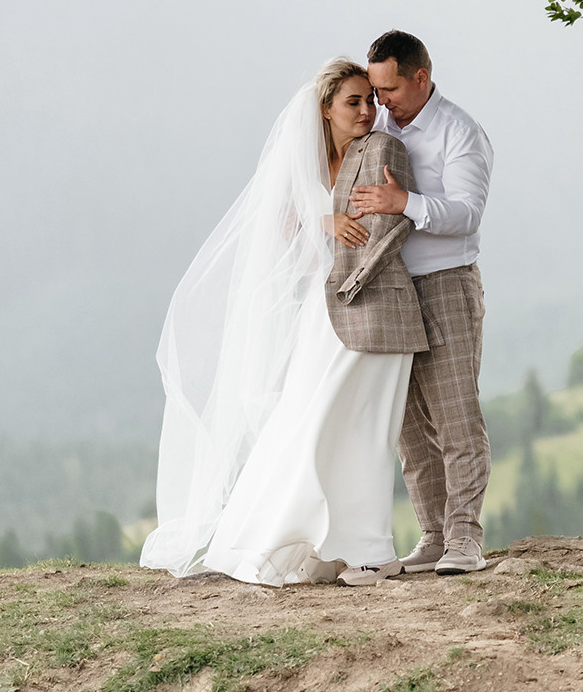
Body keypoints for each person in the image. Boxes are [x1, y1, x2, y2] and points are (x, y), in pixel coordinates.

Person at [139, 59, 420, 585]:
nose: (366, 110)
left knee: (361, 425)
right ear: (326, 110)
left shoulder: (379, 151)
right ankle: (297, 538)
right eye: (352, 102)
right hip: (325, 310)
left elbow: (390, 227)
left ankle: (353, 545)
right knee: (310, 420)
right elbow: (280, 224)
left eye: (369, 100)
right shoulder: (307, 163)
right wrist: (325, 220)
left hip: (370, 307)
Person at [340, 28, 495, 575]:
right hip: (389, 290)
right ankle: (431, 535)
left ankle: (464, 540)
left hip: (447, 283)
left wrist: (405, 203)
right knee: (408, 423)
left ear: (420, 78)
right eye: (375, 91)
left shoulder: (460, 132)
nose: (380, 102)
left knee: (456, 416)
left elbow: (467, 214)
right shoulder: (376, 122)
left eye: (390, 90)